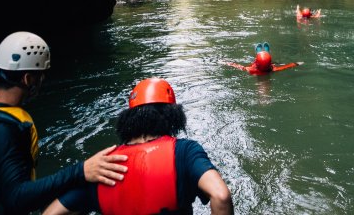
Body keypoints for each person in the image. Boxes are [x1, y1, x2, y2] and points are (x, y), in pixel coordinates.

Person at [0, 31, 129, 215]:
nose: (42, 80)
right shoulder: (1, 131)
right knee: (80, 190)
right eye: (40, 75)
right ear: (28, 79)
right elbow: (16, 199)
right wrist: (81, 171)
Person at [42, 77, 234, 215]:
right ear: (173, 116)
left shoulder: (102, 166)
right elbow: (221, 196)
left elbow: (51, 213)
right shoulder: (184, 151)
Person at [226, 42, 300, 75]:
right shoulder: (273, 69)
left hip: (259, 64)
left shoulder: (251, 69)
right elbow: (287, 66)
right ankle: (266, 52)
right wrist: (297, 64)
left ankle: (259, 52)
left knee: (262, 59)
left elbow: (238, 66)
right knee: (269, 61)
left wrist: (227, 63)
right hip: (267, 64)